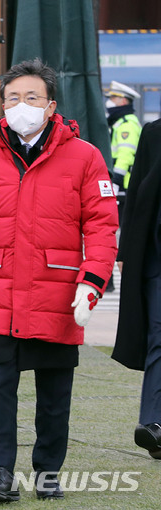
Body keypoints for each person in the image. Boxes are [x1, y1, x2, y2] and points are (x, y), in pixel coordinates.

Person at [0, 59, 118, 502]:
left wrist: (91, 281)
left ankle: (47, 471)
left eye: (32, 98)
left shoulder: (85, 156)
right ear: (1, 104)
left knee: (54, 391)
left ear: (51, 106)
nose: (21, 106)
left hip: (58, 293)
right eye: (12, 98)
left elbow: (102, 226)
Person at [112, 119, 161, 460]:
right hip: (157, 259)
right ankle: (154, 425)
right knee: (159, 335)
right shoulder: (154, 132)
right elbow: (138, 197)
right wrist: (126, 251)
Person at [106, 80, 142, 222]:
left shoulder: (127, 124)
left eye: (113, 98)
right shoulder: (119, 122)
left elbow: (125, 155)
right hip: (121, 183)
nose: (109, 102)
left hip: (124, 183)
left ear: (123, 101)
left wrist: (116, 180)